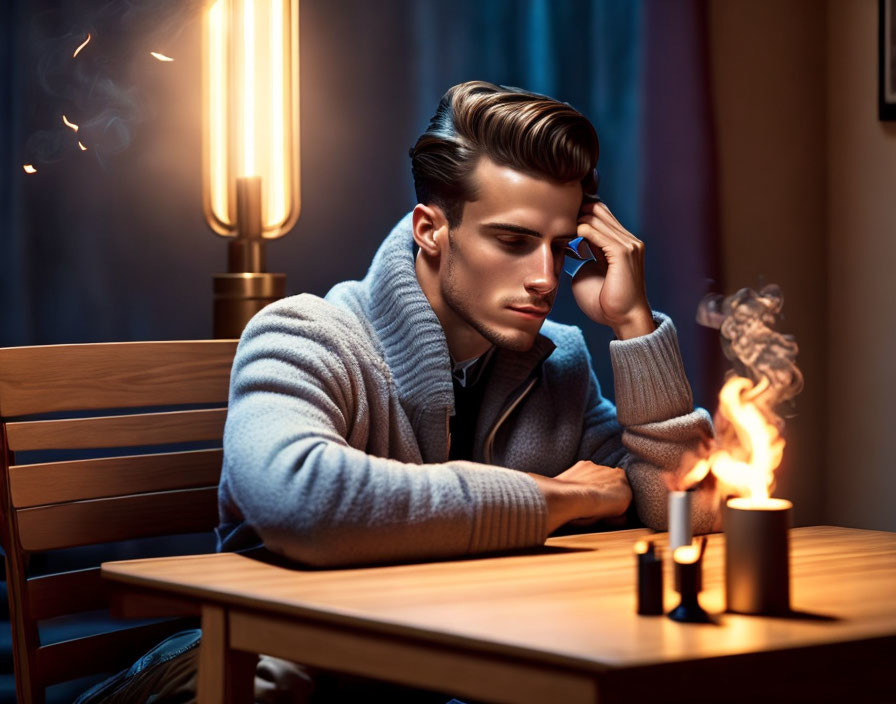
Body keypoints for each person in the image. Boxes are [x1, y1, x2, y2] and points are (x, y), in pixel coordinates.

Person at [216, 80, 717, 569]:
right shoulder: (302, 335)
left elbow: (692, 513)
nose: (546, 279)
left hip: (465, 644)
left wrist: (634, 324)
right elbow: (304, 503)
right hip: (261, 648)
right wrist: (562, 497)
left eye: (560, 248)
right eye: (512, 241)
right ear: (430, 230)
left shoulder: (560, 365)